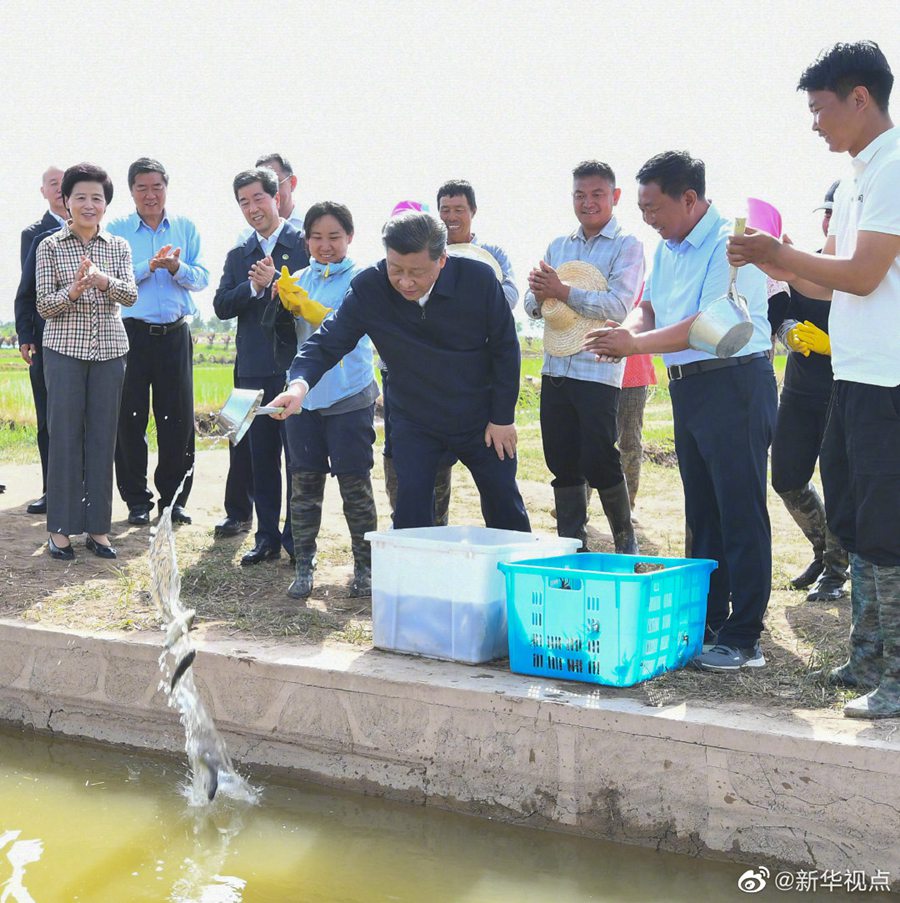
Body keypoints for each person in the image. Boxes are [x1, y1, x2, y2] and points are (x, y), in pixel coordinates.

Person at [728, 41, 900, 718]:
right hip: (852, 377)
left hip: (890, 380)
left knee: (888, 528)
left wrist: (781, 252)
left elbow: (862, 274)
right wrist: (770, 264)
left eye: (821, 107)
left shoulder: (893, 167)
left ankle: (896, 674)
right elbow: (827, 280)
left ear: (860, 98)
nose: (815, 122)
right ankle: (866, 656)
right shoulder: (861, 174)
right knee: (856, 522)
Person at [585, 150, 777, 671]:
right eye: (644, 209)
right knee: (704, 510)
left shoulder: (729, 245)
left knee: (739, 508)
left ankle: (745, 636)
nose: (648, 218)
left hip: (734, 381)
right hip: (689, 387)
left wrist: (634, 346)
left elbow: (704, 322)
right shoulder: (668, 246)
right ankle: (710, 619)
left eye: (654, 207)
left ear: (689, 199)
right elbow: (653, 305)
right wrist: (630, 327)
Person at [268, 211, 530, 534]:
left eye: (416, 272)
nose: (405, 282)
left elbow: (505, 348)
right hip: (415, 420)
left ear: (442, 260)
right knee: (411, 514)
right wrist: (298, 385)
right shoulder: (370, 288)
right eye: (396, 270)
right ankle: (416, 581)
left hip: (480, 416)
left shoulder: (479, 282)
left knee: (505, 506)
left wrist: (503, 417)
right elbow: (329, 340)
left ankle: (517, 578)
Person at [524, 160, 644, 553]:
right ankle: (572, 542)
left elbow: (618, 306)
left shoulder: (628, 245)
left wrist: (563, 291)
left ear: (615, 197)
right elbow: (531, 305)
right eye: (580, 195)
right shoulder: (559, 246)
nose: (588, 202)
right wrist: (541, 295)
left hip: (597, 368)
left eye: (597, 194)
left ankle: (625, 541)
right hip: (555, 366)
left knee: (598, 456)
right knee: (560, 457)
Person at [35, 163, 138, 559]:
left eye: (97, 197)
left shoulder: (118, 247)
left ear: (106, 204)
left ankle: (98, 529)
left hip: (111, 352)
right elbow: (44, 305)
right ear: (66, 201)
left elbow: (130, 296)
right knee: (64, 437)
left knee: (102, 438)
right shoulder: (50, 246)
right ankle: (60, 530)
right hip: (63, 353)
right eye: (80, 197)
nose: (89, 204)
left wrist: (102, 281)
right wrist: (74, 292)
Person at [276, 201, 378, 600]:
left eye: (334, 236)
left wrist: (314, 310)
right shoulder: (297, 278)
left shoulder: (365, 279)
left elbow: (346, 328)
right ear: (306, 241)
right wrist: (280, 303)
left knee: (355, 484)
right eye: (316, 237)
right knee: (303, 484)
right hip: (302, 397)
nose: (325, 245)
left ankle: (365, 566)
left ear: (350, 237)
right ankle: (303, 565)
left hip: (349, 392)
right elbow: (291, 339)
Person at [213, 167, 308, 565]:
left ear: (277, 197)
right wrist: (252, 287)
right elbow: (220, 307)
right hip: (251, 369)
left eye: (258, 198)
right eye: (243, 202)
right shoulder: (240, 255)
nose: (252, 208)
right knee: (261, 457)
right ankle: (266, 536)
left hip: (295, 370)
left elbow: (314, 297)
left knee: (298, 459)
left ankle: (297, 540)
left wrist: (278, 285)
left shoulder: (303, 244)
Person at [107, 158, 209, 526]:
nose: (150, 195)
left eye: (157, 187)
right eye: (142, 188)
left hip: (175, 334)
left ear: (167, 186)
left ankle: (174, 499)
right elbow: (112, 283)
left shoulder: (184, 227)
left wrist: (177, 268)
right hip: (132, 334)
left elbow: (202, 278)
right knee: (129, 418)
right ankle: (136, 500)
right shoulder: (117, 231)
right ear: (131, 190)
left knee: (178, 419)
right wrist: (148, 268)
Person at [419, 179, 520, 526]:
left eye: (458, 209)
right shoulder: (425, 253)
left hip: (483, 382)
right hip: (436, 385)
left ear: (473, 212)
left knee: (500, 490)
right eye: (445, 210)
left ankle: (509, 553)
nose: (451, 217)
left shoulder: (494, 255)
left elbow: (508, 300)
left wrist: (471, 299)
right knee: (428, 486)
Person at [766, 183, 848, 603]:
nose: (830, 221)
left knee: (838, 480)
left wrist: (835, 344)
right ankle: (821, 548)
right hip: (799, 389)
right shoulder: (803, 265)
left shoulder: (860, 271)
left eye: (838, 213)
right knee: (786, 477)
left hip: (844, 392)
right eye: (827, 213)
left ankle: (836, 570)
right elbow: (778, 311)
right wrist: (788, 332)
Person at [15, 167, 69, 515]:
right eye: (54, 184)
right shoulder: (34, 235)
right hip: (46, 339)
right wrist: (26, 336)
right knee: (48, 417)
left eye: (67, 184)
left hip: (85, 342)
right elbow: (29, 290)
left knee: (82, 419)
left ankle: (81, 490)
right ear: (43, 192)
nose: (61, 190)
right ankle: (52, 490)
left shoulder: (93, 230)